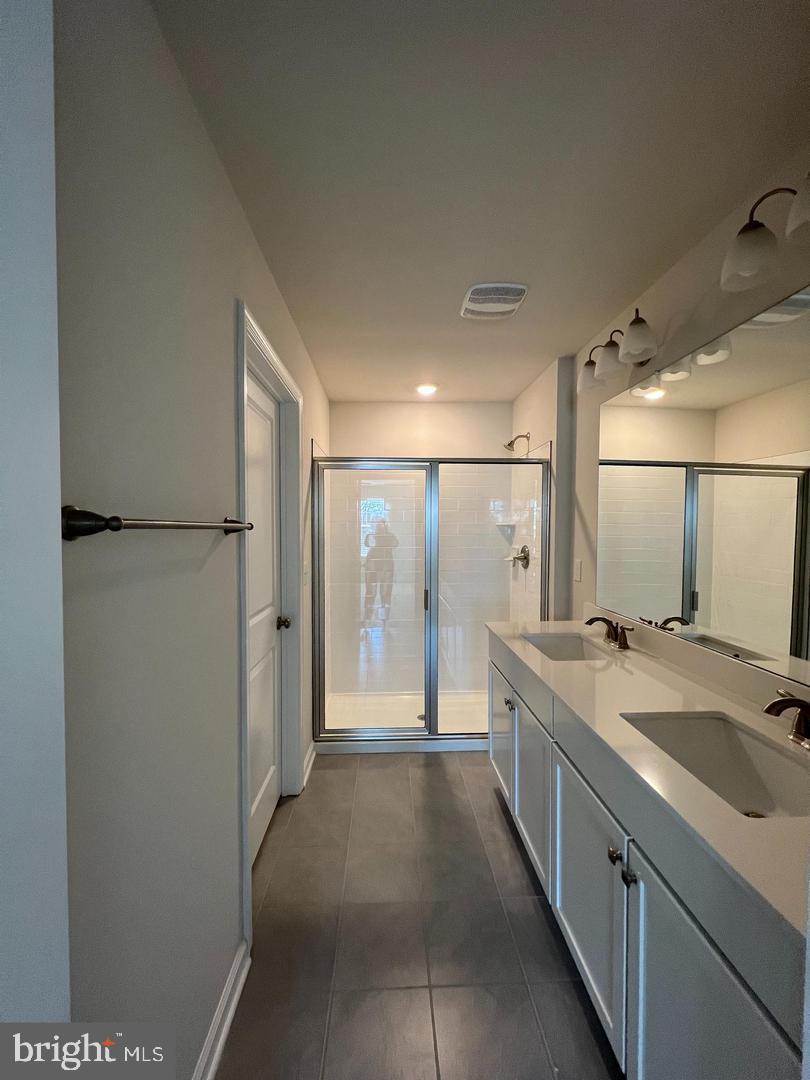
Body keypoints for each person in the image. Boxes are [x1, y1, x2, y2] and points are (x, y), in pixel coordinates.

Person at [363, 519, 398, 623]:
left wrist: (386, 537)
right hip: (374, 565)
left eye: (382, 526)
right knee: (371, 593)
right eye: (379, 526)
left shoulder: (389, 536)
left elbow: (395, 544)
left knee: (385, 593)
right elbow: (367, 543)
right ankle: (368, 617)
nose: (380, 528)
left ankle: (383, 619)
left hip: (385, 566)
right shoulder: (372, 536)